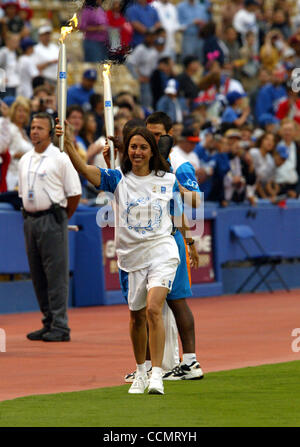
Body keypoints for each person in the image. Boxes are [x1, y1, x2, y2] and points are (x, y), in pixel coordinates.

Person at [57, 122, 182, 395]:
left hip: (162, 250)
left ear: (151, 151)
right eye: (133, 147)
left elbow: (188, 204)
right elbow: (83, 170)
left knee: (153, 309)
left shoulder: (167, 179)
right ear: (127, 151)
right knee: (136, 317)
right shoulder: (117, 179)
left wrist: (193, 203)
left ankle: (157, 374)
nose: (138, 152)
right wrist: (67, 142)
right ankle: (140, 371)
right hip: (131, 257)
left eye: (143, 147)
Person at [18, 112, 82, 342]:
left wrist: (62, 217)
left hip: (53, 218)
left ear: (49, 133)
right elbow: (22, 192)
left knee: (56, 274)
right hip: (30, 219)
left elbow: (74, 193)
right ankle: (48, 321)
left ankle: (61, 325)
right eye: (32, 127)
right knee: (37, 274)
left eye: (40, 128)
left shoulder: (60, 158)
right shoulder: (25, 159)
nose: (35, 131)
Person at [6, 96, 33, 191]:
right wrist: (27, 155)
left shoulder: (25, 132)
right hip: (11, 174)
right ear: (13, 112)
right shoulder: (10, 129)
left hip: (24, 175)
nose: (22, 114)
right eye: (19, 111)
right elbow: (7, 153)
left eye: (25, 111)